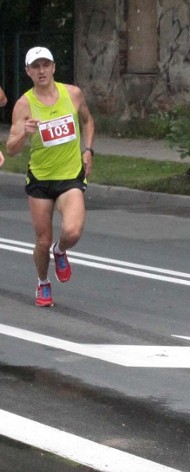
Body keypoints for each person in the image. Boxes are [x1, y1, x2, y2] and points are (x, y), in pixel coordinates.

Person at [6, 46, 95, 307]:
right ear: (28, 72)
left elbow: (88, 121)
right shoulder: (24, 104)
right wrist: (25, 133)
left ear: (54, 67)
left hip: (70, 176)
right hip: (41, 180)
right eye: (36, 67)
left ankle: (62, 250)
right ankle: (43, 282)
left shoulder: (73, 94)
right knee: (42, 240)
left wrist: (88, 150)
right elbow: (11, 149)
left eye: (46, 65)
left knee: (73, 231)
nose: (41, 71)